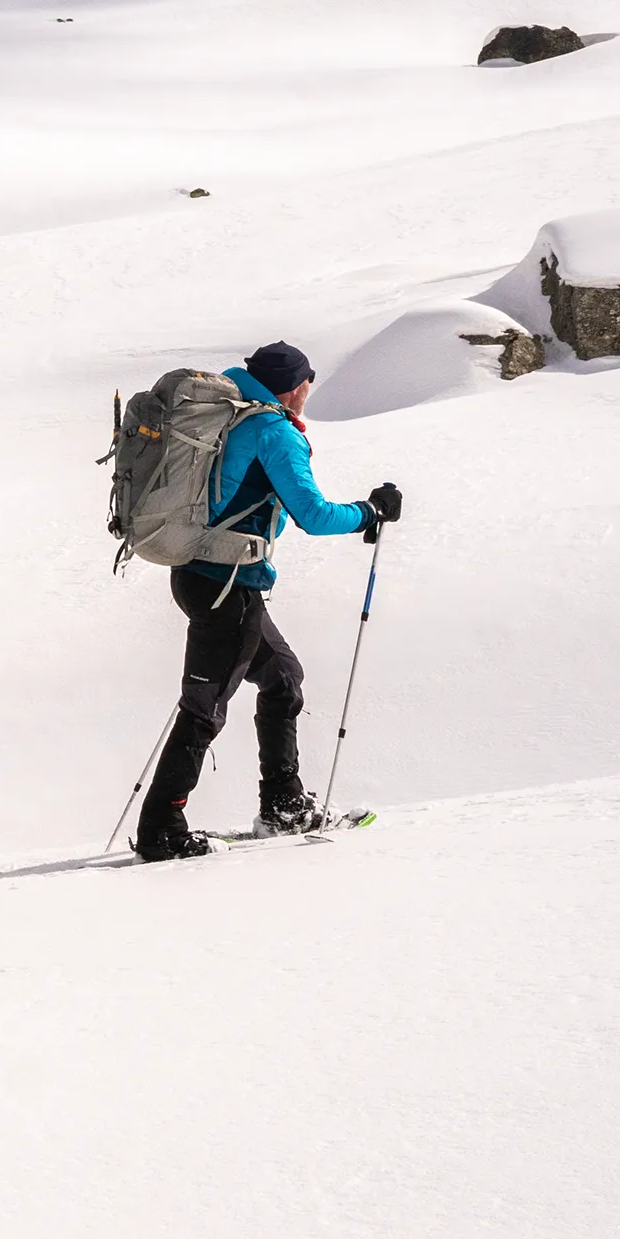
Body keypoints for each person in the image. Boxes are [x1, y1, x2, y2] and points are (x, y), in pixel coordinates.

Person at [132, 342, 401, 860]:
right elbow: (315, 516)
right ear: (295, 386)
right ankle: (160, 830)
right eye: (307, 383)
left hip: (202, 574)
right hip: (228, 584)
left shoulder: (231, 415)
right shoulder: (273, 430)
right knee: (203, 710)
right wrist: (370, 512)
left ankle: (283, 803)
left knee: (281, 679)